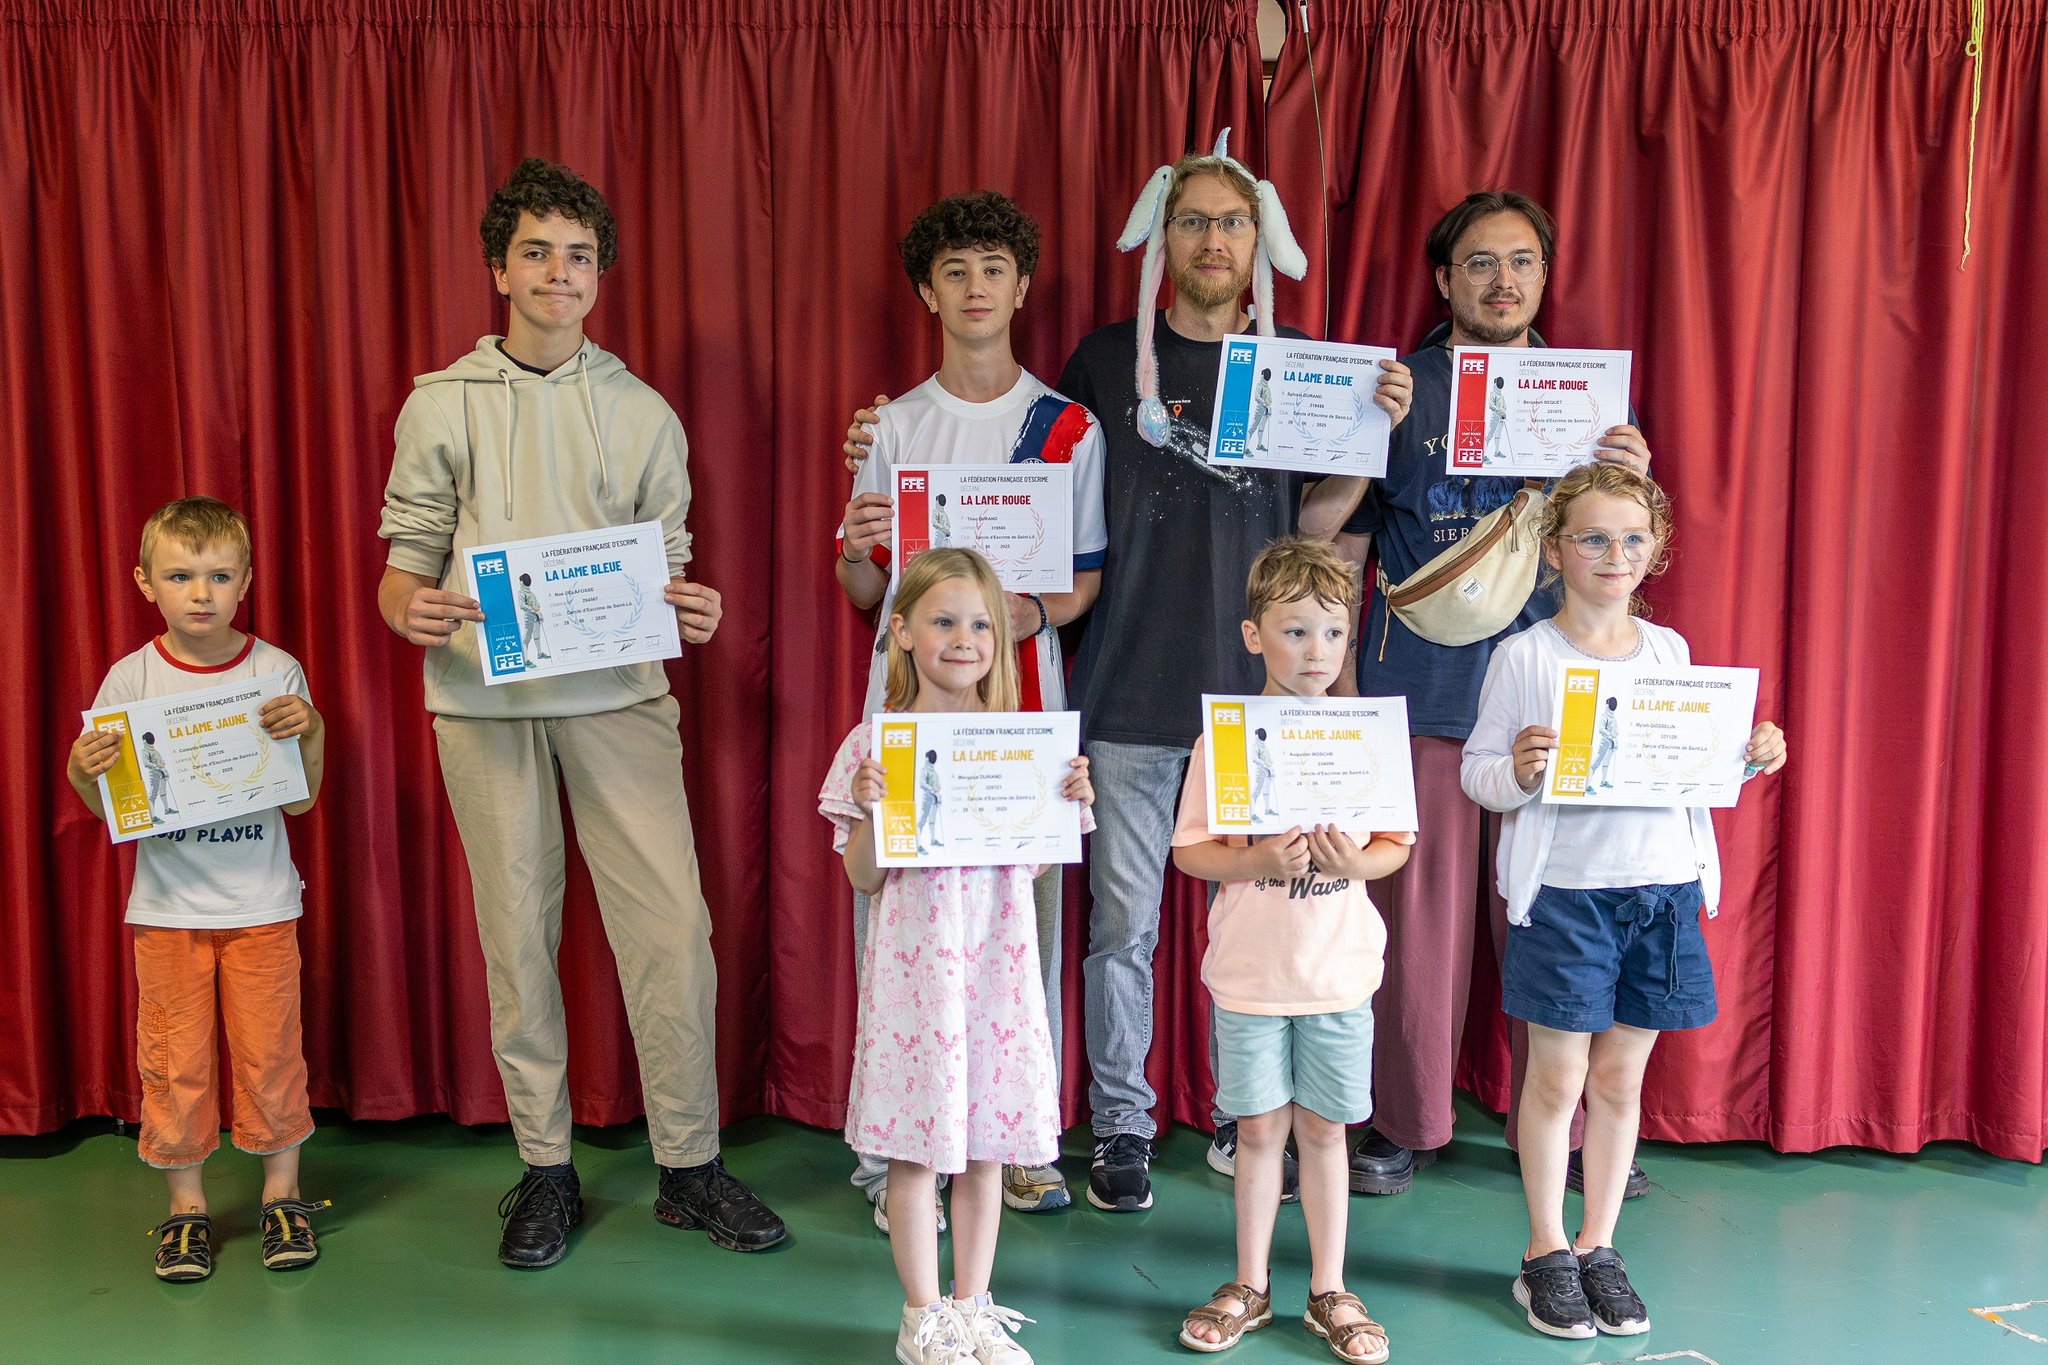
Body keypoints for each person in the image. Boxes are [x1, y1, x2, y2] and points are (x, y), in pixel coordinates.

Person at [376, 156, 783, 1267]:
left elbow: (666, 571)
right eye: (537, 252)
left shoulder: (643, 413)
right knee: (517, 936)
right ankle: (545, 1167)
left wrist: (691, 608)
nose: (559, 273)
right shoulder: (441, 403)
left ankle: (689, 1164)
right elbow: (403, 572)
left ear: (599, 275)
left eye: (579, 256)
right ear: (500, 269)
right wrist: (411, 609)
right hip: (485, 703)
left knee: (673, 933)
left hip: (619, 699)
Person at [1336, 190, 1655, 1198]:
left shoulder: (1591, 404)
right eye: (1479, 262)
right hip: (1422, 690)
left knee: (1555, 913)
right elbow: (1340, 546)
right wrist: (1342, 692)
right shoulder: (1399, 390)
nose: (1501, 280)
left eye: (1520, 261)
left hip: (1555, 695)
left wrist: (1635, 475)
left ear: (1544, 277)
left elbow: (1627, 546)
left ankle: (1562, 1131)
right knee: (1420, 929)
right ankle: (1406, 1121)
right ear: (1444, 280)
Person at [1462, 463, 1785, 1338]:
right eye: (1595, 538)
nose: (1616, 554)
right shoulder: (1525, 656)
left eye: (1634, 538)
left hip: (1663, 891)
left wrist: (1751, 752)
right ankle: (1544, 1249)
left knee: (1618, 1078)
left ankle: (1598, 1244)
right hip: (1566, 897)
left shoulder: (1670, 651)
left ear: (1656, 548)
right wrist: (1516, 770)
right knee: (1556, 1076)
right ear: (1555, 549)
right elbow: (1478, 774)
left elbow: (1694, 766)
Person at [836, 189, 1108, 1222]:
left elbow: (1080, 584)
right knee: (902, 931)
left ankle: (1015, 1142)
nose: (975, 287)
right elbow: (863, 589)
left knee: (1014, 936)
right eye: (954, 271)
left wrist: (1007, 618)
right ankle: (896, 1157)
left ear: (1021, 285)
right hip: (910, 716)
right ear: (927, 291)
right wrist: (856, 542)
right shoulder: (894, 425)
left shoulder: (1068, 427)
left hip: (1020, 710)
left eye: (993, 268)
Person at [820, 548, 1095, 1365]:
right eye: (943, 620)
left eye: (980, 622)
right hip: (917, 987)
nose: (965, 637)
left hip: (995, 978)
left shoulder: (1022, 743)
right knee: (915, 1153)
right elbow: (862, 876)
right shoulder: (874, 745)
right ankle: (923, 1317)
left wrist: (1064, 799)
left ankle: (973, 1306)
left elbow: (1032, 865)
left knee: (984, 1149)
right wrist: (872, 808)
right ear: (902, 630)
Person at [66, 496, 329, 1282]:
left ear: (245, 581)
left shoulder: (276, 670)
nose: (201, 592)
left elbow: (302, 800)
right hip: (168, 911)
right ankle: (187, 1210)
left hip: (262, 906)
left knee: (271, 1054)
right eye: (181, 575)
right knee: (174, 1061)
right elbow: (116, 811)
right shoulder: (131, 677)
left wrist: (311, 730)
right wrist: (83, 773)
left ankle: (283, 1195)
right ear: (146, 582)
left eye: (219, 575)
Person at [1171, 539, 1412, 1362]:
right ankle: (1250, 1284)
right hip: (1250, 974)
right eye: (1295, 630)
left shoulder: (1368, 736)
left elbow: (1395, 845)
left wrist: (1356, 862)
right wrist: (1256, 861)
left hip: (1338, 973)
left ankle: (1329, 1288)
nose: (1317, 651)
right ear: (1253, 635)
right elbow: (1191, 850)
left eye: (1333, 633)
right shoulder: (1224, 741)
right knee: (1258, 1130)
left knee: (1325, 1131)